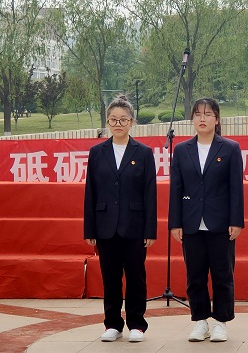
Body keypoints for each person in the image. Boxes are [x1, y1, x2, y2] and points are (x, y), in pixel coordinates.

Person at [168, 98, 244, 343]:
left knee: (223, 274)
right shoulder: (182, 150)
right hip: (191, 222)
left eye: (208, 114)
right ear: (192, 119)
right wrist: (175, 222)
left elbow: (236, 188)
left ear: (217, 119)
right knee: (195, 275)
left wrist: (236, 221)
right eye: (198, 114)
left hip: (221, 222)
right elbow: (176, 188)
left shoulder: (230, 148)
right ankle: (200, 321)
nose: (202, 118)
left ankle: (221, 321)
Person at [83, 95, 157, 343]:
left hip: (134, 226)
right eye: (113, 120)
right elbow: (90, 192)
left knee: (136, 276)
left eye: (123, 119)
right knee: (110, 277)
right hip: (105, 226)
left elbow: (150, 193)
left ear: (132, 122)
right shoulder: (97, 152)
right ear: (107, 122)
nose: (118, 124)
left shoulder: (143, 153)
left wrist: (150, 230)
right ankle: (112, 323)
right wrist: (90, 229)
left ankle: (137, 324)